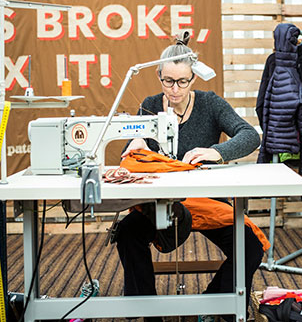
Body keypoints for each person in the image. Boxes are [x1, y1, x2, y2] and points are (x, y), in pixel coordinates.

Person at [114, 31, 267, 322]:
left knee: (250, 245)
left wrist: (216, 151)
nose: (174, 89)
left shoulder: (210, 104)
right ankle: (148, 313)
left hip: (207, 200)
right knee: (127, 233)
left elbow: (250, 135)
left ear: (193, 78)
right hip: (161, 203)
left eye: (182, 81)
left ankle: (214, 304)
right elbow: (129, 148)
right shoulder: (148, 103)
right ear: (159, 77)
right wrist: (134, 145)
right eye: (168, 81)